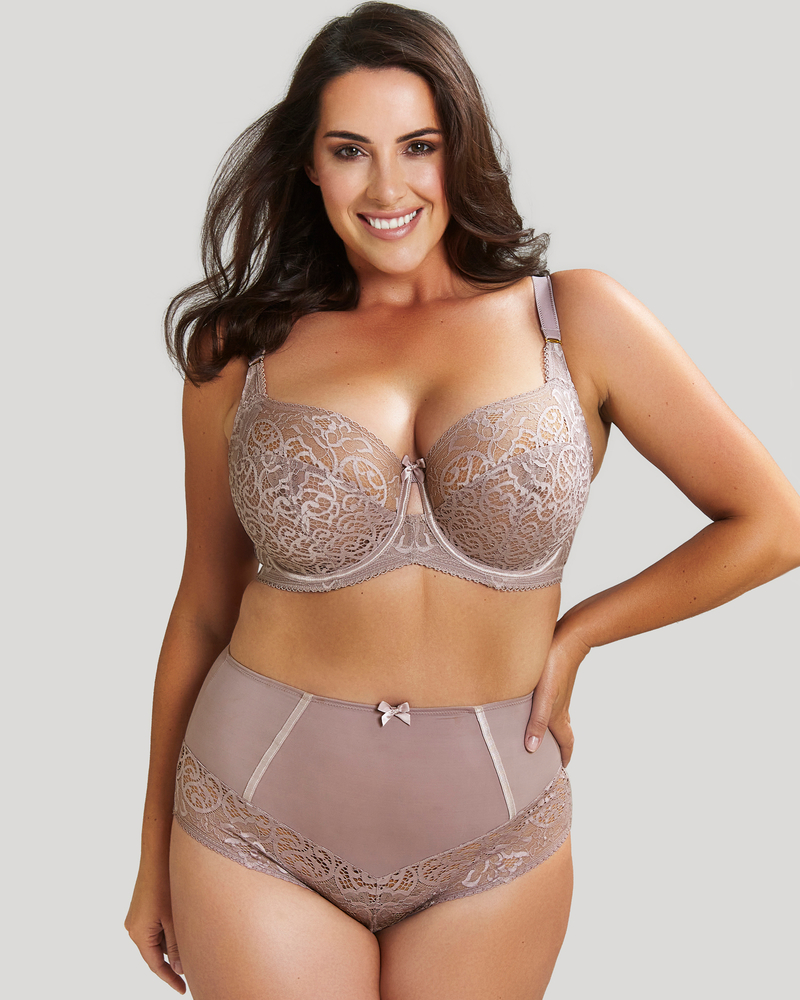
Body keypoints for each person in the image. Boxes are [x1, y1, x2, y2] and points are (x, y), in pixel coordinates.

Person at [124, 3, 800, 998]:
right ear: (308, 165)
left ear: (461, 150)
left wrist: (578, 636)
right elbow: (202, 607)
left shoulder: (576, 319)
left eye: (419, 146)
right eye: (349, 151)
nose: (386, 188)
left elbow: (771, 523)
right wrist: (150, 855)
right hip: (251, 816)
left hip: (493, 835)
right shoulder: (240, 351)